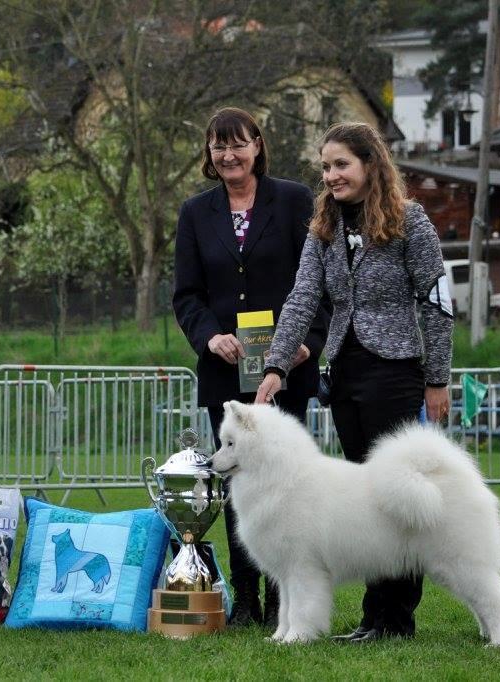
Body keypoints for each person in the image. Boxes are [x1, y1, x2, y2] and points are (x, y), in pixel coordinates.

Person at [254, 122, 454, 643]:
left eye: (341, 164)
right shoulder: (323, 228)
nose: (331, 175)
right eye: (325, 167)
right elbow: (301, 298)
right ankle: (373, 617)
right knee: (363, 503)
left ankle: (397, 618)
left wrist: (437, 380)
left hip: (395, 371)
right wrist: (275, 367)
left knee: (398, 497)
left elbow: (436, 304)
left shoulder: (411, 220)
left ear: (370, 164)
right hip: (342, 372)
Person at [173, 107, 330, 627]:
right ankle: (244, 597)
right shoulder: (195, 214)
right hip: (225, 373)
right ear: (208, 154)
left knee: (286, 486)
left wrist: (306, 343)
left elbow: (319, 282)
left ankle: (286, 595)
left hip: (286, 368)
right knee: (237, 483)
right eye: (219, 147)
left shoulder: (293, 201)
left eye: (238, 144)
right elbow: (187, 294)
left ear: (258, 146)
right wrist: (209, 336)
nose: (229, 155)